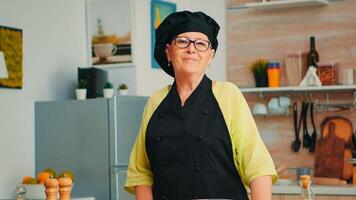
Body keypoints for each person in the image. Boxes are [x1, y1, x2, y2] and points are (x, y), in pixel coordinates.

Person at [125, 10, 278, 200]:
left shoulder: (228, 95)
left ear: (211, 55)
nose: (191, 49)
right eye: (182, 41)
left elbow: (258, 168)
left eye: (201, 43)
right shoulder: (155, 101)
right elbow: (141, 173)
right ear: (168, 52)